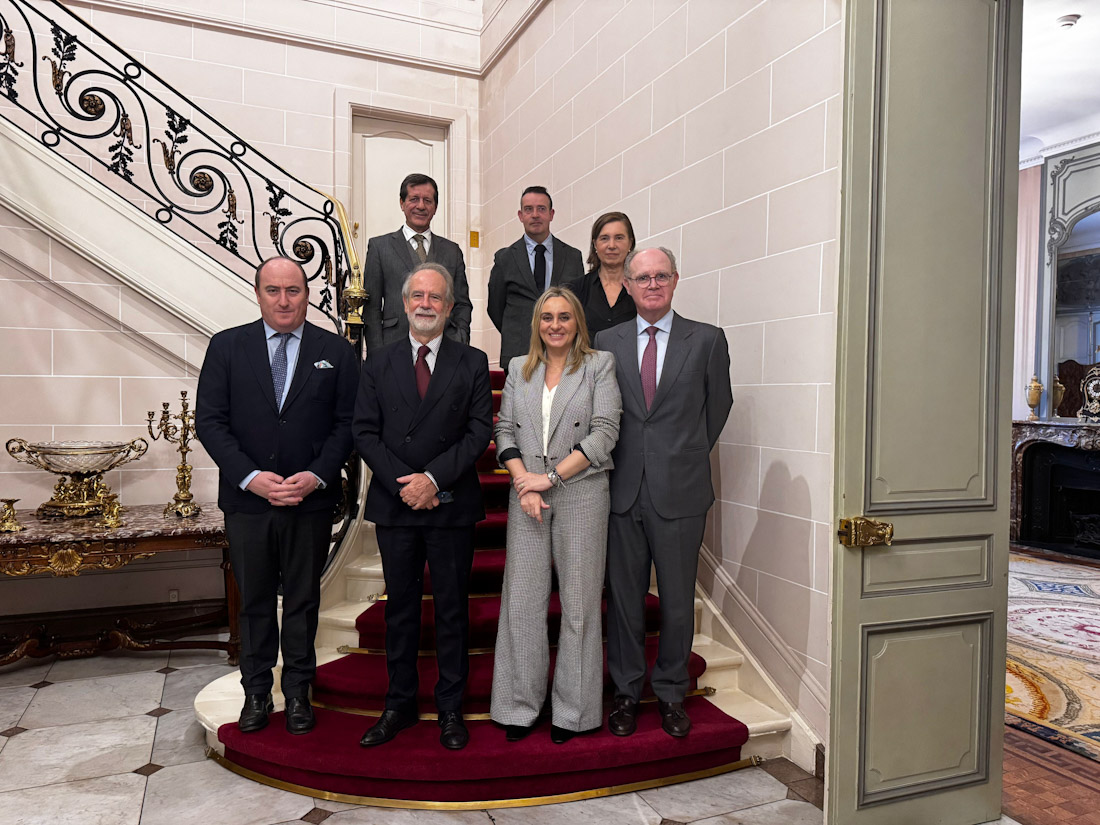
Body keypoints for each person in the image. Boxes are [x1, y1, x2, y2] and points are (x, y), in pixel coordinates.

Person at [196, 256, 358, 736]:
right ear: (258, 294)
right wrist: (250, 477)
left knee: (304, 600)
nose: (284, 300)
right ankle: (256, 692)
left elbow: (348, 423)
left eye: (293, 290)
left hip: (309, 501)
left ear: (307, 294)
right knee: (256, 601)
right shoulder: (227, 347)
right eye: (273, 290)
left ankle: (299, 692)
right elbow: (210, 421)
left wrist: (317, 475)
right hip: (248, 502)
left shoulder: (336, 351)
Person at [594, 247, 733, 739]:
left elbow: (718, 406)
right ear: (627, 285)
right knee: (624, 602)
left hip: (682, 491)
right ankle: (626, 693)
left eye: (660, 276)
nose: (651, 284)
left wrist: (682, 454)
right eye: (642, 277)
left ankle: (672, 692)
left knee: (675, 602)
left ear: (675, 280)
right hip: (622, 490)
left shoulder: (707, 339)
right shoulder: (606, 341)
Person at [354, 262, 493, 751]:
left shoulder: (472, 361)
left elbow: (479, 431)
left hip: (450, 503)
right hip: (396, 504)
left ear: (450, 307)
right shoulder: (378, 362)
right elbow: (364, 431)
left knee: (452, 610)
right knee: (400, 611)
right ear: (404, 303)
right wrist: (406, 484)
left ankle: (451, 707)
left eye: (436, 297)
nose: (426, 304)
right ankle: (399, 704)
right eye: (418, 295)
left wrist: (432, 479)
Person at [490, 286, 620, 744]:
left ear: (577, 322)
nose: (555, 325)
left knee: (579, 606)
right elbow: (504, 431)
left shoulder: (599, 366)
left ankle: (574, 712)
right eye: (547, 317)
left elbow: (605, 432)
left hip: (581, 493)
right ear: (537, 324)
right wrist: (524, 482)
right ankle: (518, 706)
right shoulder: (519, 369)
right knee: (522, 603)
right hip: (527, 494)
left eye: (564, 317)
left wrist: (547, 479)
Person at [363, 173, 472, 353]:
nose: (421, 206)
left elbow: (462, 303)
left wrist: (460, 337)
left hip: (445, 349)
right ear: (402, 203)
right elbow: (371, 307)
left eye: (427, 200)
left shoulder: (452, 251)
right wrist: (377, 353)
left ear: (435, 207)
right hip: (393, 346)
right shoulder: (379, 247)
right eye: (414, 199)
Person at [488, 186, 584, 369]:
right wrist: (519, 330)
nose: (535, 215)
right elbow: (495, 308)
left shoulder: (572, 257)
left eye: (541, 209)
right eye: (528, 209)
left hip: (564, 353)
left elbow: (578, 305)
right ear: (520, 215)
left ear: (551, 214)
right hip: (519, 353)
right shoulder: (505, 258)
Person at [565, 212, 637, 338]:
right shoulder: (574, 290)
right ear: (595, 245)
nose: (612, 245)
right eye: (604, 238)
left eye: (619, 238)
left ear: (630, 243)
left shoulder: (641, 288)